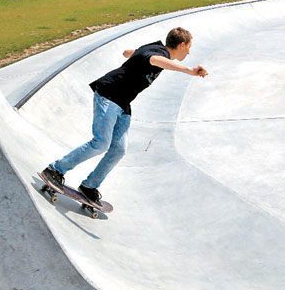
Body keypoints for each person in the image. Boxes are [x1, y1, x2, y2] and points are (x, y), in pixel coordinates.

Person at [41, 27, 208, 205]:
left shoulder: (153, 48)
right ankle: (55, 170)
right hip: (109, 95)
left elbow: (129, 53)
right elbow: (154, 59)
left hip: (123, 103)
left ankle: (89, 186)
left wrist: (132, 55)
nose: (189, 51)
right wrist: (189, 70)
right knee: (101, 143)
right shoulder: (159, 54)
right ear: (182, 45)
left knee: (118, 149)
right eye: (189, 47)